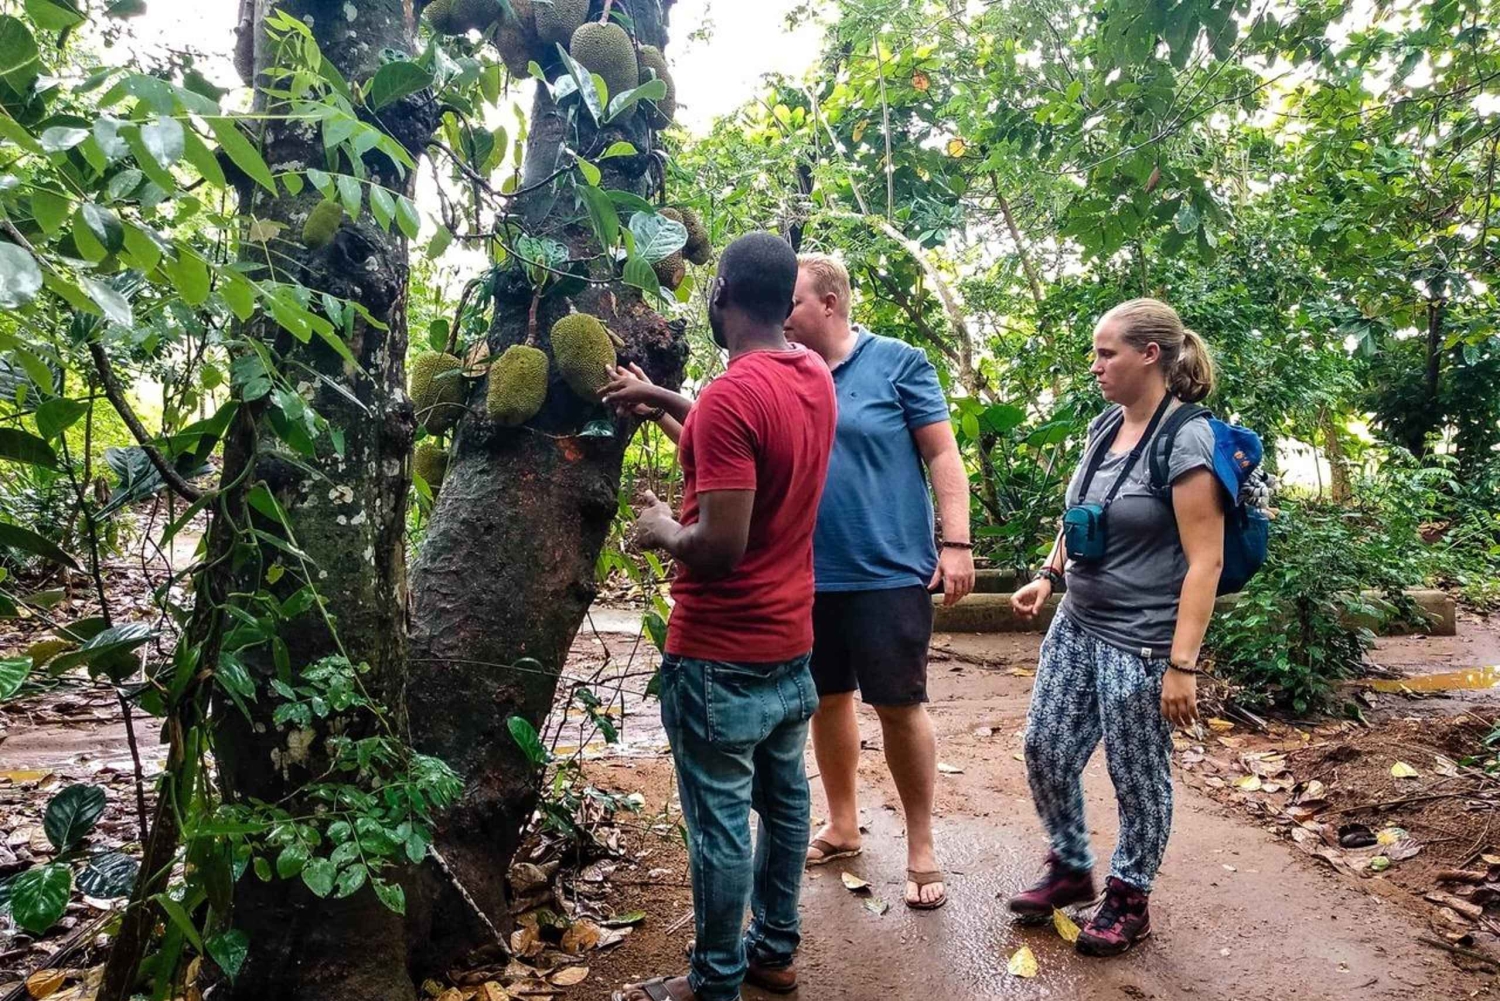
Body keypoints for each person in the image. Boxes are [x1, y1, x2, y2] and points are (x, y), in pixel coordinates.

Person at [607, 233, 838, 1001]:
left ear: (724, 293)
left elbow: (718, 545)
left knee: (719, 829)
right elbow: (737, 445)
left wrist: (657, 526)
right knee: (786, 803)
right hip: (788, 646)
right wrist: (669, 400)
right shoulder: (812, 375)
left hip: (719, 655)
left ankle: (715, 981)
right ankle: (774, 948)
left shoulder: (735, 398)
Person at [1005, 298, 1224, 957]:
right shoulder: (1106, 425)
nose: (1095, 365)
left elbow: (1205, 556)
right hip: (1078, 620)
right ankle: (1072, 864)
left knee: (1136, 773)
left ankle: (1130, 894)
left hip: (1141, 638)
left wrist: (1181, 664)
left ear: (1149, 355)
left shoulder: (1185, 437)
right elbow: (1081, 513)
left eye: (1107, 353)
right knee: (1045, 746)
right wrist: (1048, 574)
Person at [781, 253, 974, 910]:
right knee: (827, 698)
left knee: (898, 703)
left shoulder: (899, 362)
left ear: (829, 303)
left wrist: (956, 543)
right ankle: (842, 824)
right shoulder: (788, 369)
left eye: (794, 301)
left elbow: (942, 453)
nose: (784, 314)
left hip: (889, 569)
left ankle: (921, 842)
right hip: (809, 572)